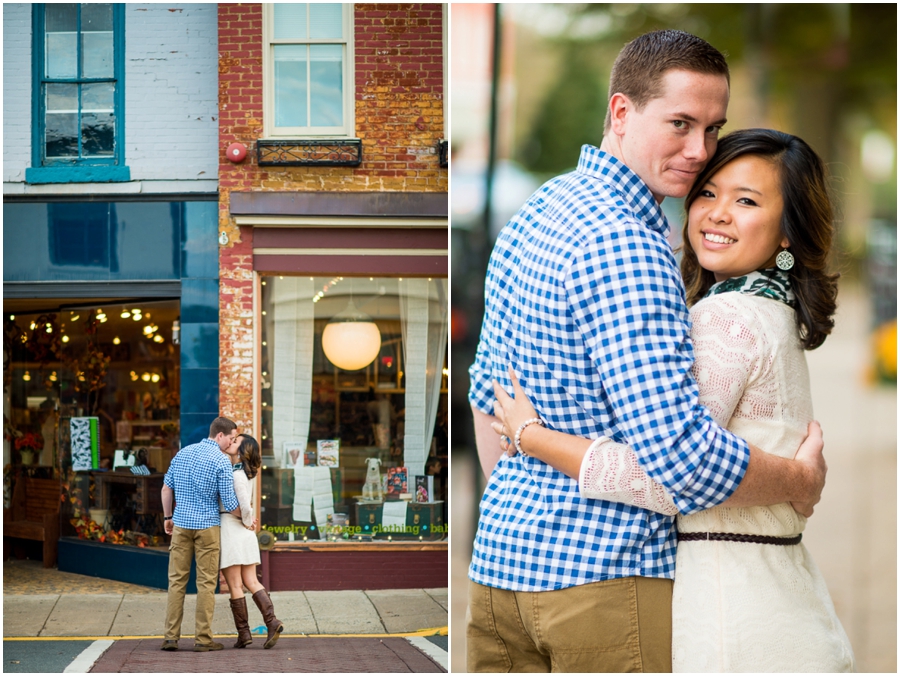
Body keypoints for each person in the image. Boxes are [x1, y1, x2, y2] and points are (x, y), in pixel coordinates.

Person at [467, 30, 827, 673]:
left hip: (498, 575)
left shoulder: (535, 210)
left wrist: (530, 494)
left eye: (713, 129)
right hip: (604, 584)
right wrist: (798, 479)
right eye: (681, 124)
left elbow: (483, 398)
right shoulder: (630, 246)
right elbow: (682, 463)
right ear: (621, 112)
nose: (699, 152)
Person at [160, 416, 241, 652]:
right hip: (207, 527)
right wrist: (246, 518)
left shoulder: (183, 453)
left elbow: (166, 488)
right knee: (206, 583)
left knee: (176, 582)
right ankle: (203, 640)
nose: (231, 443)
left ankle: (170, 638)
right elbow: (229, 501)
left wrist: (167, 518)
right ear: (219, 435)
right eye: (231, 438)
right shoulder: (221, 460)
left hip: (181, 525)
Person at [219, 433, 284, 649]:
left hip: (232, 528)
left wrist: (247, 520)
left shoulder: (236, 474)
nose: (231, 442)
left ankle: (244, 634)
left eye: (235, 441)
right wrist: (248, 522)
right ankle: (272, 622)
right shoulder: (247, 473)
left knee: (235, 585)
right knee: (252, 582)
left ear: (242, 450)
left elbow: (245, 506)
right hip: (244, 535)